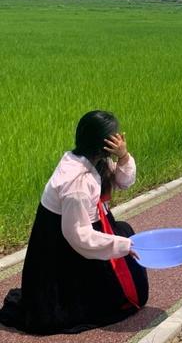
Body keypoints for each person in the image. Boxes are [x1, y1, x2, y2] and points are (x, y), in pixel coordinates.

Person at [0, 111, 148, 335]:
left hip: (84, 229)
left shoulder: (95, 161)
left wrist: (124, 156)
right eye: (115, 136)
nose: (119, 139)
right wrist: (123, 246)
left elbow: (125, 182)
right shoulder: (76, 182)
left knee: (124, 233)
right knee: (119, 294)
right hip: (62, 248)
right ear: (103, 143)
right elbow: (78, 235)